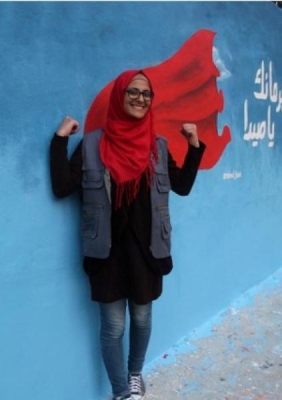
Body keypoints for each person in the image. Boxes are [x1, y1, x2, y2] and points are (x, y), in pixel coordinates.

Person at [49, 69, 205, 400]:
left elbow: (182, 186)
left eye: (146, 94)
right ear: (119, 97)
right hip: (107, 252)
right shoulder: (92, 145)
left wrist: (194, 146)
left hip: (147, 251)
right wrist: (60, 139)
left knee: (143, 318)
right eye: (132, 92)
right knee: (114, 327)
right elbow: (63, 187)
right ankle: (121, 391)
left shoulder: (157, 147)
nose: (140, 99)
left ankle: (135, 375)